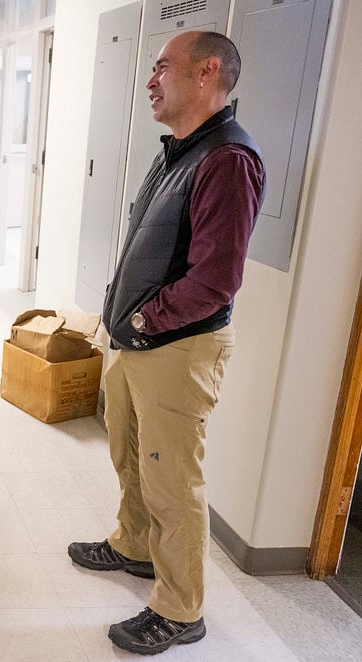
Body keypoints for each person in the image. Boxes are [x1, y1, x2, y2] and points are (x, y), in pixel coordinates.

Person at [67, 32, 265, 655]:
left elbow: (215, 279)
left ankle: (182, 609)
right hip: (138, 341)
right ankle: (133, 546)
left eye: (161, 68)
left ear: (207, 72)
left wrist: (146, 323)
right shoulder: (178, 150)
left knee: (173, 479)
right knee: (130, 453)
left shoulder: (228, 160)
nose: (150, 80)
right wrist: (121, 318)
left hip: (177, 349)